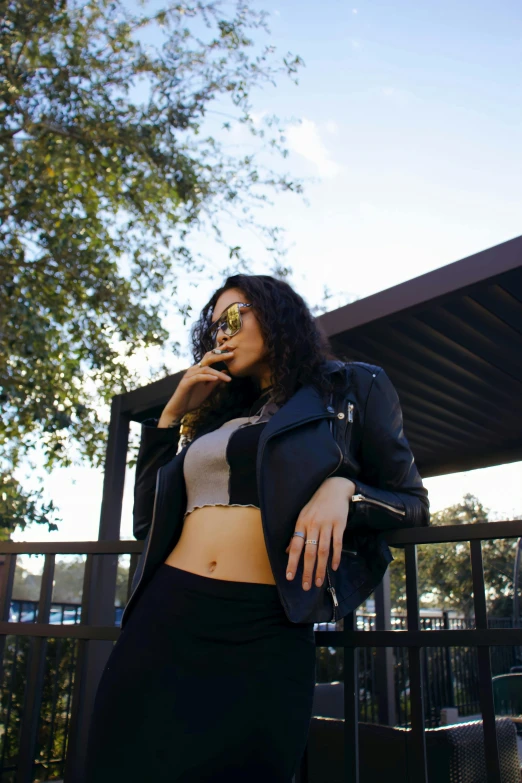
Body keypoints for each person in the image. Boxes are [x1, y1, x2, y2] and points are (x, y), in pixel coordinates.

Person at [85, 274, 429, 782]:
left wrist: (344, 491)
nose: (219, 336)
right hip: (166, 615)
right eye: (211, 329)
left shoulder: (352, 386)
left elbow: (412, 501)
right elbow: (146, 520)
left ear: (275, 313)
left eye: (231, 317)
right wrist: (173, 415)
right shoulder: (213, 418)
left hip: (266, 623)